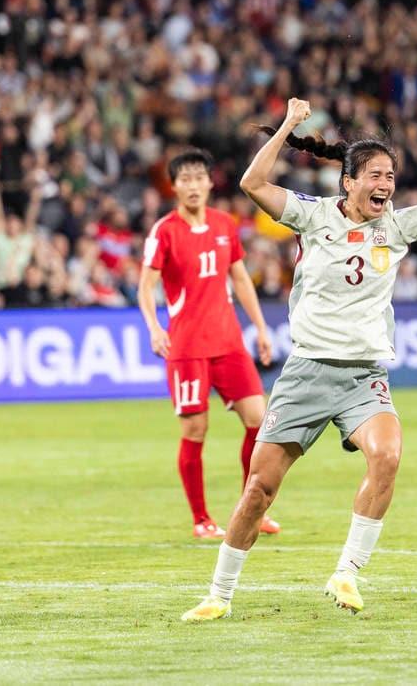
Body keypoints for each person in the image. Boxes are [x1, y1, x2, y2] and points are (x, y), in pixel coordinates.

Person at [182, 96, 417, 622]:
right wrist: (290, 126)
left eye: (391, 175)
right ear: (349, 182)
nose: (385, 184)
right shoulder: (313, 215)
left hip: (364, 376)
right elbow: (252, 184)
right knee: (259, 490)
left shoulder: (399, 227)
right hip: (306, 373)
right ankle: (218, 595)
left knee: (387, 455)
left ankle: (347, 571)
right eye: (375, 175)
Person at [138, 149, 278, 540]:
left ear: (210, 183)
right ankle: (201, 519)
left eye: (199, 177)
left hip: (229, 343)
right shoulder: (164, 231)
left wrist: (261, 328)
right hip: (187, 348)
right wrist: (153, 326)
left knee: (260, 420)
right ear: (175, 186)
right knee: (196, 430)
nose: (193, 185)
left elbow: (241, 279)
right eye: (185, 179)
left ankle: (249, 512)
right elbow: (145, 287)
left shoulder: (224, 225)